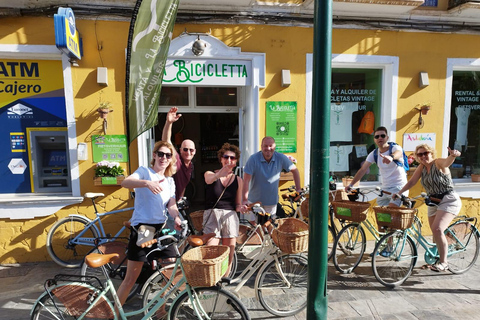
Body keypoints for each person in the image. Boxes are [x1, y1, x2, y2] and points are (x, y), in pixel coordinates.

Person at [117, 141, 182, 309]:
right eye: (160, 154)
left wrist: (176, 218)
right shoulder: (144, 172)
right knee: (131, 278)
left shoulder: (169, 181)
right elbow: (125, 182)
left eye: (168, 155)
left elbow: (171, 205)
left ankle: (159, 311)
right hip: (144, 230)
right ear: (154, 155)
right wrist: (147, 183)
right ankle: (114, 314)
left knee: (168, 270)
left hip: (161, 229)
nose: (164, 158)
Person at [394, 144, 462, 272]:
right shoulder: (422, 167)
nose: (423, 156)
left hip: (448, 200)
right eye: (420, 155)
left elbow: (447, 163)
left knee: (437, 229)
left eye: (425, 153)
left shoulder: (438, 163)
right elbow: (412, 182)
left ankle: (444, 262)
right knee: (435, 232)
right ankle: (439, 256)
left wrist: (453, 155)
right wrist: (399, 193)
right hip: (433, 201)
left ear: (431, 153)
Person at [204, 143, 243, 276]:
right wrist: (221, 173)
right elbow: (209, 180)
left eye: (232, 158)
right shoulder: (210, 174)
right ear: (221, 158)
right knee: (211, 253)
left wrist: (242, 207)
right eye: (226, 157)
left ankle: (224, 283)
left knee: (228, 254)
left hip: (230, 217)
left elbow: (237, 204)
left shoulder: (238, 180)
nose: (229, 160)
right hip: (213, 215)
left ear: (236, 161)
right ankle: (210, 282)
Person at [345, 126, 408, 206]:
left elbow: (399, 153)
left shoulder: (394, 148)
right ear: (374, 139)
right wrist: (351, 185)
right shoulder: (374, 154)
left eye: (383, 136)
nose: (380, 138)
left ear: (387, 137)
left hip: (399, 187)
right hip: (385, 188)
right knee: (381, 213)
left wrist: (391, 157)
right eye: (377, 136)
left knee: (392, 211)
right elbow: (362, 170)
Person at [241, 136, 301, 217]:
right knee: (254, 226)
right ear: (261, 147)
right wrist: (245, 200)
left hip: (271, 202)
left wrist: (298, 189)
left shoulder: (280, 157)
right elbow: (246, 180)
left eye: (270, 146)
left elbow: (295, 170)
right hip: (254, 202)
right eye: (265, 146)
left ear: (274, 147)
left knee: (269, 226)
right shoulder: (253, 159)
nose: (268, 148)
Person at [162, 106, 196, 200]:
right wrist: (169, 123)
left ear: (195, 151)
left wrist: (181, 198)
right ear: (180, 150)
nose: (188, 152)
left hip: (175, 202)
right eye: (185, 149)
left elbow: (183, 183)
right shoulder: (176, 158)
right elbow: (166, 141)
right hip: (166, 202)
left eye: (191, 150)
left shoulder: (190, 166)